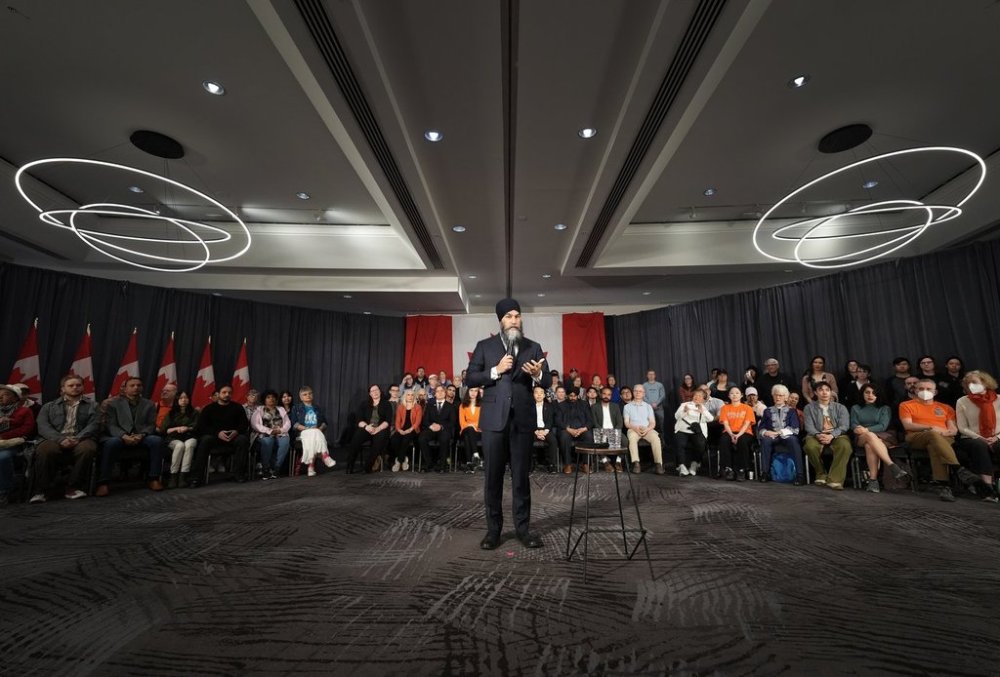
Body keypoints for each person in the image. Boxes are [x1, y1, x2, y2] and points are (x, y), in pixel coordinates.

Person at [466, 298, 547, 550]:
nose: (514, 320)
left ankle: (523, 530)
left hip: (522, 420)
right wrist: (496, 370)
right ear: (500, 321)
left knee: (521, 478)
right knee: (493, 478)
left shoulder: (533, 347)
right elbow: (470, 378)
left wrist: (537, 374)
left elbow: (546, 380)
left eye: (517, 316)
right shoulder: (485, 346)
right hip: (493, 420)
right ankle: (493, 531)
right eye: (509, 316)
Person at [899, 378, 988, 501]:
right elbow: (908, 425)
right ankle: (957, 468)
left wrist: (941, 432)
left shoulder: (946, 408)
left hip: (944, 438)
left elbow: (953, 430)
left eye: (928, 389)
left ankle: (944, 486)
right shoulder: (906, 405)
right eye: (921, 388)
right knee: (932, 435)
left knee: (934, 445)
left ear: (935, 392)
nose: (925, 391)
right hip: (917, 437)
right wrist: (931, 427)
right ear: (915, 391)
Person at [29, 375, 100, 503]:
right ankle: (42, 490)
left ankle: (73, 487)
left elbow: (94, 424)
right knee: (45, 450)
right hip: (54, 438)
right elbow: (43, 426)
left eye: (78, 385)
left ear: (83, 387)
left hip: (81, 438)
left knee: (87, 449)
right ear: (63, 388)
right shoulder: (49, 406)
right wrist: (60, 439)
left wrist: (78, 438)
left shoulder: (93, 405)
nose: (75, 388)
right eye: (71, 385)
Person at [97, 377, 165, 496]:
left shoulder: (149, 404)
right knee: (112, 443)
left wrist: (142, 434)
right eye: (132, 385)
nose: (136, 388)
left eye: (139, 385)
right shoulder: (112, 403)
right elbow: (110, 424)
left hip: (141, 435)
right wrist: (123, 436)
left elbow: (151, 424)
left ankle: (153, 478)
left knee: (156, 440)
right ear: (125, 388)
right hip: (119, 436)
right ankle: (103, 482)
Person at [850, 383, 908, 493]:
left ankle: (873, 481)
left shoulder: (885, 408)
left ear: (878, 395)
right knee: (869, 436)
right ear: (862, 394)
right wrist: (857, 429)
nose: (870, 395)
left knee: (869, 445)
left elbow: (883, 426)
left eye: (874, 393)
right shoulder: (855, 408)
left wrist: (866, 429)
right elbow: (853, 424)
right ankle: (891, 465)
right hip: (861, 436)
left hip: (883, 436)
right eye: (867, 392)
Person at [189, 385, 250, 486]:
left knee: (243, 440)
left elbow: (244, 424)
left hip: (233, 437)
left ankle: (239, 474)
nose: (227, 395)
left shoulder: (238, 407)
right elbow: (202, 427)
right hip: (214, 438)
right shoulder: (209, 408)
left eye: (229, 393)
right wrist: (217, 433)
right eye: (224, 392)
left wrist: (236, 431)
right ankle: (196, 477)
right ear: (218, 394)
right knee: (205, 440)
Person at [954, 371, 1000, 501]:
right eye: (968, 384)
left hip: (997, 436)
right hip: (972, 438)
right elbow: (962, 427)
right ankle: (987, 489)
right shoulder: (962, 401)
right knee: (979, 446)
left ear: (985, 382)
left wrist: (997, 437)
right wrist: (980, 437)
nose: (971, 386)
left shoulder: (999, 399)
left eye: (974, 382)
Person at [802, 381, 852, 490]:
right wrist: (818, 435)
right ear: (815, 392)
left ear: (831, 392)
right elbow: (809, 426)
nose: (824, 392)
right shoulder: (809, 408)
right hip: (816, 434)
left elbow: (844, 426)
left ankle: (835, 479)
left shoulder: (840, 407)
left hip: (837, 435)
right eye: (821, 390)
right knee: (810, 446)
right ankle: (821, 473)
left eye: (827, 390)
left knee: (845, 446)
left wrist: (832, 435)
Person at [758, 385, 804, 485]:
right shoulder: (767, 411)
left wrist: (779, 432)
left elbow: (795, 428)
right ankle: (765, 473)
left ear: (786, 398)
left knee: (793, 440)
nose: (778, 397)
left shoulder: (792, 411)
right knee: (765, 440)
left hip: (787, 435)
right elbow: (761, 428)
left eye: (781, 395)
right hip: (772, 437)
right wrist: (766, 432)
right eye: (776, 395)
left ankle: (800, 475)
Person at [0, 383, 34, 506]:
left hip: (14, 445)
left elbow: (27, 429)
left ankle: (3, 492)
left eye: (5, 395)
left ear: (15, 398)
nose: (0, 397)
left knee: (2, 457)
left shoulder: (24, 411)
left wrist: (4, 434)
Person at [347, 384, 392, 473]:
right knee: (356, 437)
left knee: (379, 441)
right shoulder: (364, 404)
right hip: (368, 428)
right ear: (370, 394)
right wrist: (366, 427)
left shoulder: (386, 404)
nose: (375, 392)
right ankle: (350, 465)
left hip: (381, 429)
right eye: (372, 391)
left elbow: (387, 421)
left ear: (380, 391)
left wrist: (378, 429)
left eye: (377, 390)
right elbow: (359, 420)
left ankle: (368, 466)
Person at [289, 386, 333, 477]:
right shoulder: (296, 408)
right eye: (305, 394)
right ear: (301, 397)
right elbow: (294, 424)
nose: (308, 396)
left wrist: (320, 429)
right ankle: (324, 456)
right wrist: (307, 428)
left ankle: (311, 467)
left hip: (316, 432)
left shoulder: (317, 408)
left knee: (315, 433)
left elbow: (325, 423)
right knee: (314, 433)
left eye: (310, 394)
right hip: (302, 432)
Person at [160, 391, 199, 488]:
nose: (184, 400)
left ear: (189, 400)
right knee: (180, 445)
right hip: (174, 437)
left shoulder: (195, 412)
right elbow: (164, 430)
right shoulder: (171, 413)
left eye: (186, 398)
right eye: (181, 398)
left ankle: (183, 476)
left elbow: (198, 427)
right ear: (177, 400)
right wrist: (177, 428)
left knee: (189, 445)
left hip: (190, 436)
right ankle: (173, 476)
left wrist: (187, 428)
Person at [624, 384, 664, 474]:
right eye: (636, 391)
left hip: (647, 429)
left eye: (640, 391)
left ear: (644, 394)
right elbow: (627, 423)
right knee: (632, 438)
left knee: (656, 438)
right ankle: (636, 463)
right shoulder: (627, 407)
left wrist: (647, 429)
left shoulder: (648, 406)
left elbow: (653, 423)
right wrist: (635, 428)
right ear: (633, 392)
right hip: (633, 429)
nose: (638, 393)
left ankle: (658, 464)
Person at [251, 390, 291, 480]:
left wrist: (281, 430)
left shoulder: (281, 409)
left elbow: (288, 423)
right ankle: (265, 468)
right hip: (265, 434)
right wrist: (269, 431)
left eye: (273, 397)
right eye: (268, 397)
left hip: (280, 433)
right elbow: (255, 424)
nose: (271, 399)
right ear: (264, 399)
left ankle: (276, 468)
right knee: (268, 441)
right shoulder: (259, 410)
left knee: (285, 442)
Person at [718, 386, 755, 481]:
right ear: (729, 396)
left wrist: (738, 435)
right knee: (724, 440)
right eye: (732, 393)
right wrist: (731, 435)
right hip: (729, 431)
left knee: (742, 440)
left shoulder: (747, 408)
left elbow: (747, 423)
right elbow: (725, 423)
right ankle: (729, 469)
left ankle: (741, 470)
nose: (734, 395)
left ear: (741, 395)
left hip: (745, 432)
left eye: (737, 393)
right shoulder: (725, 408)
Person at [418, 384, 457, 473]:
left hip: (444, 429)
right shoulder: (430, 405)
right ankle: (428, 464)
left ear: (445, 393)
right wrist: (431, 426)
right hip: (431, 429)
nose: (440, 393)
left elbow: (452, 422)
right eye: (437, 391)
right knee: (422, 438)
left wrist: (441, 426)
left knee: (444, 438)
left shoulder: (451, 406)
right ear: (434, 394)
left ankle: (442, 465)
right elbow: (425, 421)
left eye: (442, 391)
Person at [674, 389, 713, 476]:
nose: (696, 397)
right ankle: (681, 466)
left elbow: (711, 419)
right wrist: (684, 411)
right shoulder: (685, 405)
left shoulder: (703, 408)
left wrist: (702, 412)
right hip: (682, 430)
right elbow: (676, 416)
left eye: (699, 396)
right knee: (680, 443)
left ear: (703, 399)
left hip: (697, 431)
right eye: (695, 395)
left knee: (700, 444)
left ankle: (694, 464)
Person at [555, 388, 593, 473]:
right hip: (567, 430)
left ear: (578, 396)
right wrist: (569, 429)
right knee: (564, 436)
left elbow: (590, 420)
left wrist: (583, 429)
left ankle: (586, 464)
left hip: (582, 429)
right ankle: (568, 464)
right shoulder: (561, 405)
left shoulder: (584, 404)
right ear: (567, 396)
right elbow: (558, 421)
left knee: (588, 435)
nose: (573, 398)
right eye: (571, 396)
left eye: (574, 396)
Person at [592, 385, 625, 472]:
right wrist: (603, 431)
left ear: (611, 396)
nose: (606, 396)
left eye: (609, 394)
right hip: (601, 430)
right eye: (604, 394)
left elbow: (620, 422)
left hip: (614, 430)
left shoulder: (615, 406)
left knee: (625, 440)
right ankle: (605, 461)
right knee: (598, 439)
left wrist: (614, 431)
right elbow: (594, 422)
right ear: (600, 394)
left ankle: (618, 461)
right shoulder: (594, 407)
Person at [390, 390, 422, 472]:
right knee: (394, 440)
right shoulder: (401, 407)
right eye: (408, 395)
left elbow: (418, 422)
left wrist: (410, 429)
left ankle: (398, 462)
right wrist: (399, 430)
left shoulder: (417, 407)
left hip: (413, 430)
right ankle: (404, 459)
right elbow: (397, 421)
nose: (410, 397)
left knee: (405, 440)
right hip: (402, 429)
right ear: (405, 396)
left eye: (412, 395)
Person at [530, 385, 559, 472]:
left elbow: (550, 420)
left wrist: (544, 432)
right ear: (533, 395)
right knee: (526, 439)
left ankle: (552, 465)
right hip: (533, 430)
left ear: (544, 395)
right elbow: (529, 421)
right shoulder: (529, 406)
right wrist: (536, 431)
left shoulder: (549, 406)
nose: (539, 395)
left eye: (541, 393)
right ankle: (530, 464)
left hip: (546, 429)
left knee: (553, 440)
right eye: (536, 393)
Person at [459, 386, 483, 471]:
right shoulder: (462, 405)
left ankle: (469, 463)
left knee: (467, 437)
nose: (473, 393)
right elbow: (462, 422)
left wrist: (473, 425)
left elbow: (483, 421)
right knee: (469, 430)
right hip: (466, 429)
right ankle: (476, 455)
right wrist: (470, 426)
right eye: (471, 390)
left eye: (476, 391)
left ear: (478, 393)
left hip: (479, 431)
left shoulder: (482, 405)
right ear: (468, 392)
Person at [643, 370, 666, 440]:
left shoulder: (660, 385)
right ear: (647, 376)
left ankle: (662, 441)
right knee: (648, 425)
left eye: (652, 374)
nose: (651, 376)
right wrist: (651, 404)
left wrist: (656, 403)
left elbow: (662, 395)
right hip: (648, 408)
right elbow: (643, 396)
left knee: (661, 426)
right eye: (649, 374)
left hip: (659, 408)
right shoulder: (644, 385)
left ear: (655, 376)